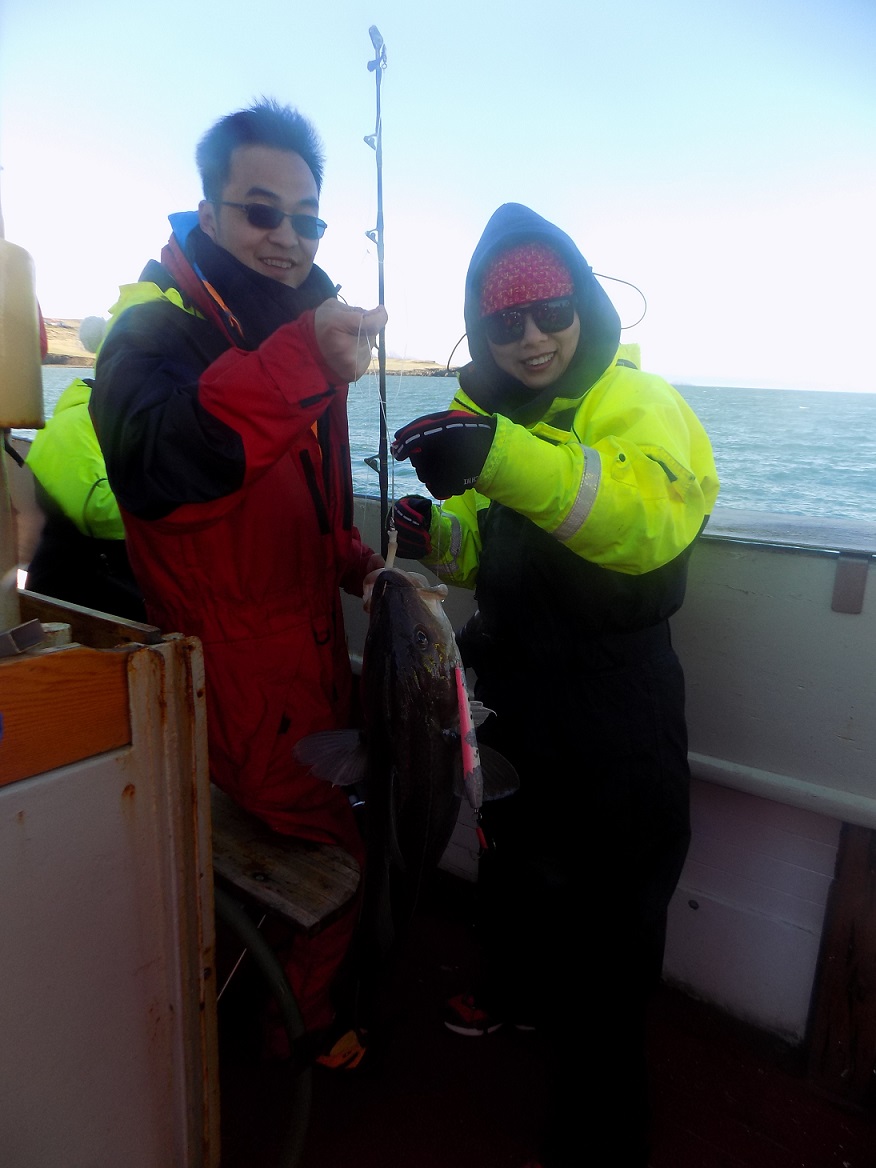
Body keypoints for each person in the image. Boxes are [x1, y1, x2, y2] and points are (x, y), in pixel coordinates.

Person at [391, 202, 719, 1167]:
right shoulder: (507, 421)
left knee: (616, 913)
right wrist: (432, 533)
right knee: (520, 860)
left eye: (550, 312)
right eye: (505, 323)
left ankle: (604, 1126)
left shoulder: (636, 400)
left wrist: (490, 455)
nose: (531, 338)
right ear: (482, 330)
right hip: (517, 695)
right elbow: (493, 552)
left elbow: (641, 518)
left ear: (584, 309)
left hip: (618, 703)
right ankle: (519, 995)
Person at [90, 100, 387, 1059]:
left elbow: (298, 482)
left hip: (309, 660)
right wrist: (303, 357)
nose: (287, 238)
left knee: (356, 811)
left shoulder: (296, 328)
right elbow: (164, 470)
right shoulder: (154, 334)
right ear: (209, 211)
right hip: (237, 685)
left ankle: (281, 995)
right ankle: (300, 1028)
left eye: (308, 220)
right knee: (337, 849)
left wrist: (346, 552)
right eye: (262, 212)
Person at [26, 317, 146, 622]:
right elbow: (98, 513)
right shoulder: (74, 423)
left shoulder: (121, 419)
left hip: (114, 585)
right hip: (76, 598)